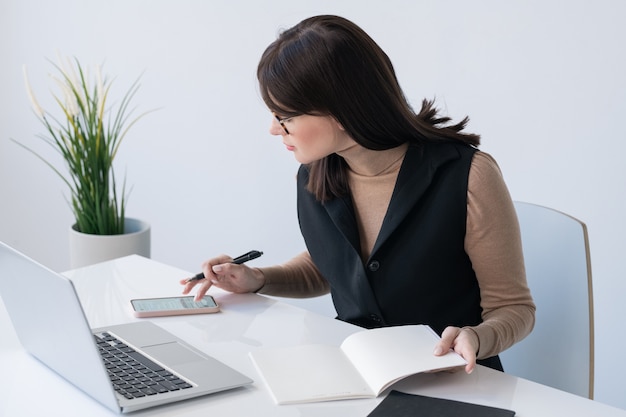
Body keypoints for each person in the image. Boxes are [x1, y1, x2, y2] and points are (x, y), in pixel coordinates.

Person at [181, 15, 535, 374]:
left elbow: (515, 309)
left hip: (454, 381)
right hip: (357, 375)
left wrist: (477, 337)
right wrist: (258, 279)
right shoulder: (314, 175)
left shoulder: (469, 175)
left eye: (284, 115)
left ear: (339, 110)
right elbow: (335, 267)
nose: (274, 129)